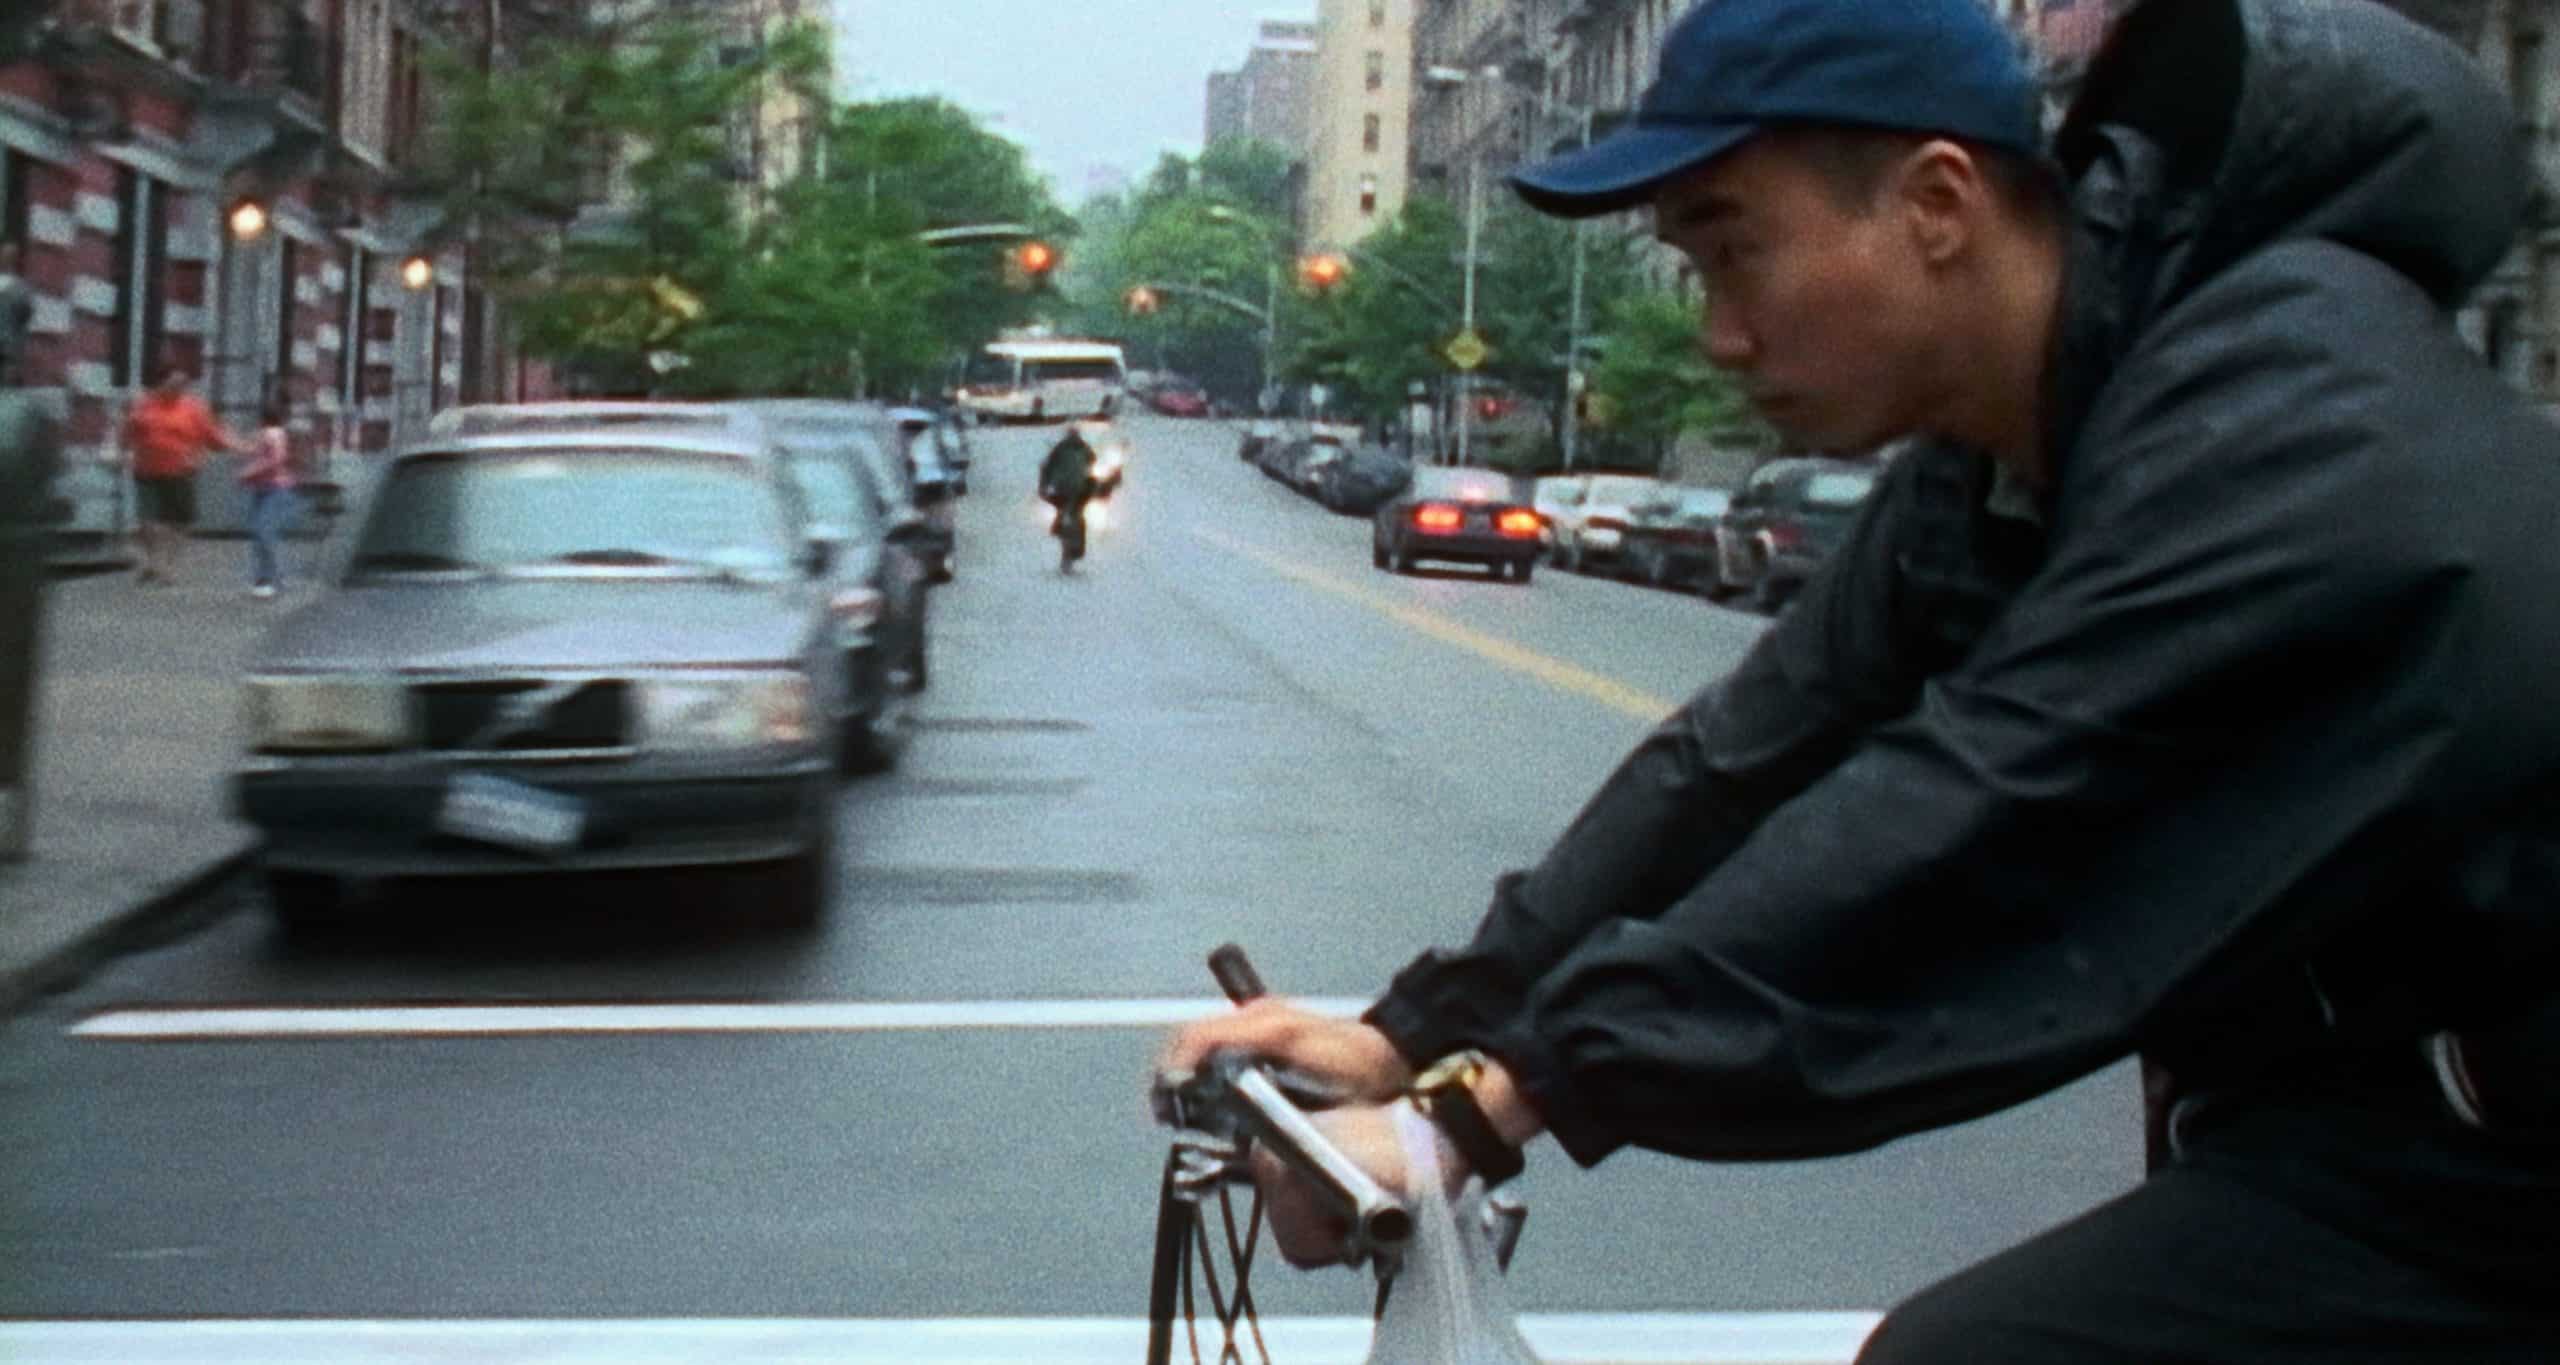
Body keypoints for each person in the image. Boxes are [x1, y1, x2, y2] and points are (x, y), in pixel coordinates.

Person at [1163, 0, 2560, 1359]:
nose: (1715, 331)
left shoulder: (2287, 409)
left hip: (2486, 1160)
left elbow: (1982, 802)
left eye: (1734, 254)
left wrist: (1477, 1114)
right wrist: (1415, 1034)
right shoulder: (2004, 455)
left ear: (1937, 205)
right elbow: (1742, 758)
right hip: (2363, 1132)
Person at [121, 367, 245, 584]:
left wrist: (239, 446)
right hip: (146, 470)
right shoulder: (143, 405)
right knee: (148, 520)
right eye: (174, 384)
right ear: (161, 384)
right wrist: (122, 453)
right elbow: (127, 433)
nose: (179, 389)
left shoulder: (194, 409)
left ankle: (165, 566)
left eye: (182, 385)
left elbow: (213, 436)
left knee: (179, 522)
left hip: (181, 472)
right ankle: (155, 563)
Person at [237, 397, 299, 599]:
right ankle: (269, 578)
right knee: (262, 534)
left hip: (273, 489)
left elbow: (274, 460)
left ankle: (267, 579)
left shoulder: (271, 434)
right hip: (268, 488)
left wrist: (247, 473)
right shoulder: (273, 434)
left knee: (263, 533)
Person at [1038, 420, 1098, 559]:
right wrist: (1044, 485)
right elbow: (1048, 467)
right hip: (1067, 488)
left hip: (1074, 488)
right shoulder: (1068, 449)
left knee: (1077, 515)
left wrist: (1044, 485)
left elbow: (1092, 462)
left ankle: (1073, 543)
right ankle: (1064, 535)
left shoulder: (1079, 448)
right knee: (1070, 513)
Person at [0, 241, 33, 387]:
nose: (7, 258)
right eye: (4, 254)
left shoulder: (21, 288)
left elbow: (25, 315)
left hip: (9, 348)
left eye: (11, 255)